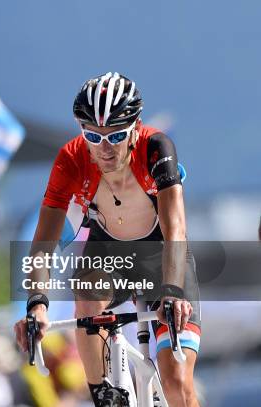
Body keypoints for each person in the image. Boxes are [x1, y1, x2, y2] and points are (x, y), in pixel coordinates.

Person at [14, 72, 201, 407]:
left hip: (163, 259)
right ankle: (103, 393)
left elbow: (176, 228)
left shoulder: (156, 148)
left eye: (116, 135)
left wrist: (173, 291)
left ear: (135, 127)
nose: (104, 148)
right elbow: (44, 240)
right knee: (85, 292)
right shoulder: (71, 159)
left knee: (178, 384)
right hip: (110, 256)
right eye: (92, 136)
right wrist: (36, 304)